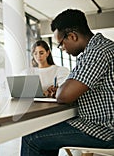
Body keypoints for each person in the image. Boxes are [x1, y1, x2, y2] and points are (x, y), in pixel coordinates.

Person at [20, 9, 114, 156]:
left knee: (31, 137)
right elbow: (68, 89)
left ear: (72, 36)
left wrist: (61, 91)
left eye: (61, 44)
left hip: (104, 130)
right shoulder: (95, 50)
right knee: (43, 132)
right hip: (101, 124)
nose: (62, 49)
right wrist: (61, 91)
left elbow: (65, 96)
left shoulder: (97, 52)